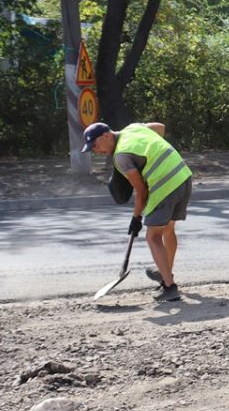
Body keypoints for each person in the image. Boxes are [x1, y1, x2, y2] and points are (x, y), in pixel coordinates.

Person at [82, 121, 192, 302]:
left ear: (107, 136)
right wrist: (153, 152)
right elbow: (160, 127)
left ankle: (169, 287)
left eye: (95, 145)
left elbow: (141, 191)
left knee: (153, 237)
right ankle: (166, 272)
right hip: (183, 176)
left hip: (165, 186)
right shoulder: (133, 128)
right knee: (167, 229)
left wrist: (136, 218)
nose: (96, 151)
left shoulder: (121, 157)